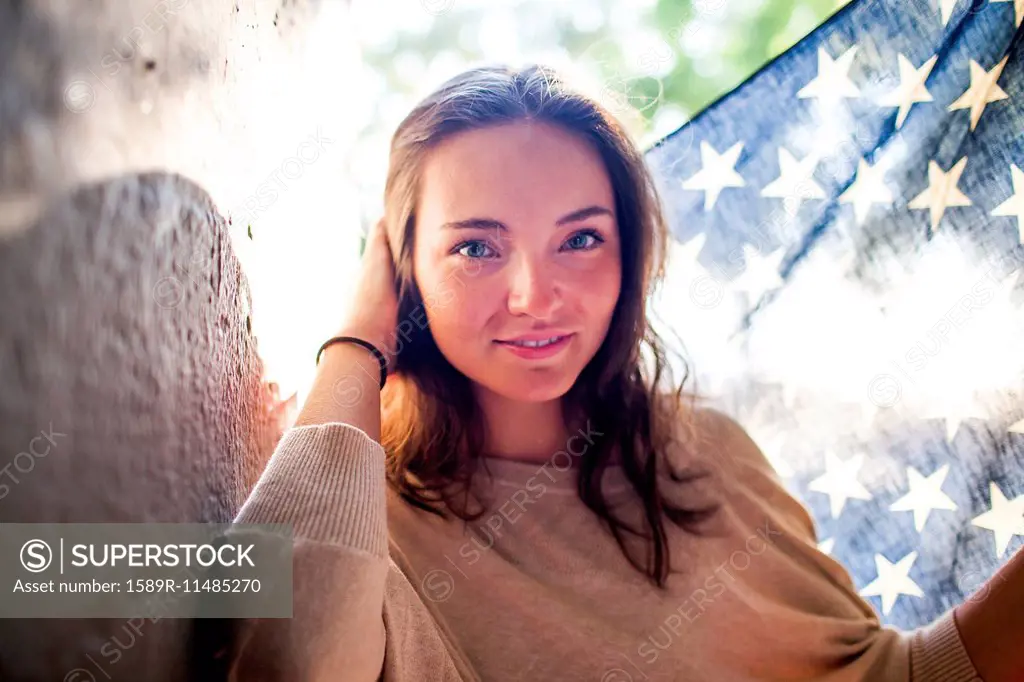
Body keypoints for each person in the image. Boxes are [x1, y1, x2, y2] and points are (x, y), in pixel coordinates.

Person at [227, 64, 1022, 681]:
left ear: (631, 252)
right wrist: (355, 345)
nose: (536, 297)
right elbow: (291, 666)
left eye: (580, 240)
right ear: (401, 268)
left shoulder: (702, 450)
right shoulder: (349, 495)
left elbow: (898, 675)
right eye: (475, 247)